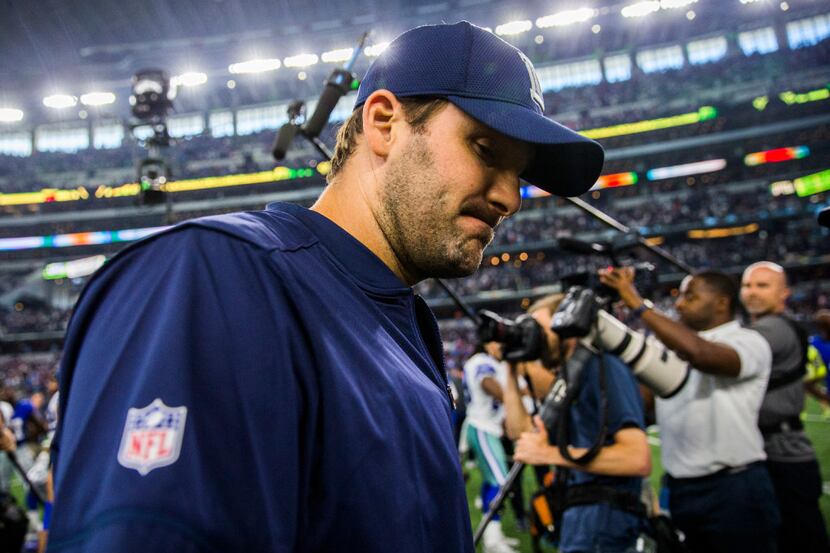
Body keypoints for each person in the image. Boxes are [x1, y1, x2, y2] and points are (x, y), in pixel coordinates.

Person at [48, 21, 604, 552]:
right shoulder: (217, 276)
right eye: (485, 150)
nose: (511, 198)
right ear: (384, 123)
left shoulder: (399, 321)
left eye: (521, 174)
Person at [599, 268, 780, 553]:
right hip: (680, 488)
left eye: (690, 296)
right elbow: (644, 405)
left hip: (734, 488)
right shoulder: (671, 343)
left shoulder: (748, 341)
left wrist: (638, 304)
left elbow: (702, 355)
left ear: (722, 302)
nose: (680, 304)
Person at [504, 294, 651, 553]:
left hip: (605, 517)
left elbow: (637, 458)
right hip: (581, 515)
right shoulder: (570, 377)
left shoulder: (603, 367)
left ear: (567, 325)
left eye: (541, 329)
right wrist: (510, 367)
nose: (535, 338)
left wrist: (550, 454)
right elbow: (521, 434)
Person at [740, 261, 829, 553]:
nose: (752, 292)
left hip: (782, 456)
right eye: (747, 285)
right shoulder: (770, 327)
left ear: (784, 294)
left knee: (799, 539)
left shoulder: (771, 330)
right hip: (771, 451)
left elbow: (720, 355)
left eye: (762, 285)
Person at [462, 342, 519, 553]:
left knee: (492, 480)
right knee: (500, 482)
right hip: (481, 426)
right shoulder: (482, 361)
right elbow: (486, 382)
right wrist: (511, 398)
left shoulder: (493, 362)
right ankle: (492, 541)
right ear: (486, 343)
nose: (501, 347)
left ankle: (492, 535)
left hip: (488, 427)